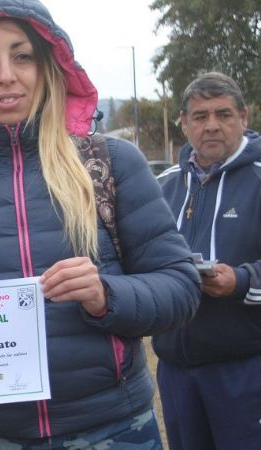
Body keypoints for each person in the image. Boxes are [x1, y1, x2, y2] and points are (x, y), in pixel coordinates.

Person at [0, 0, 201, 448]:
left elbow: (181, 288)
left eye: (22, 56)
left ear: (49, 65)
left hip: (115, 430)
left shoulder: (112, 164)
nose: (6, 75)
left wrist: (106, 295)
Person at [153, 72, 261, 450]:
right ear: (184, 123)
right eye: (200, 116)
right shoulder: (162, 186)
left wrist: (241, 281)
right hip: (175, 371)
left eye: (223, 114)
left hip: (245, 369)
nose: (211, 125)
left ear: (244, 118)